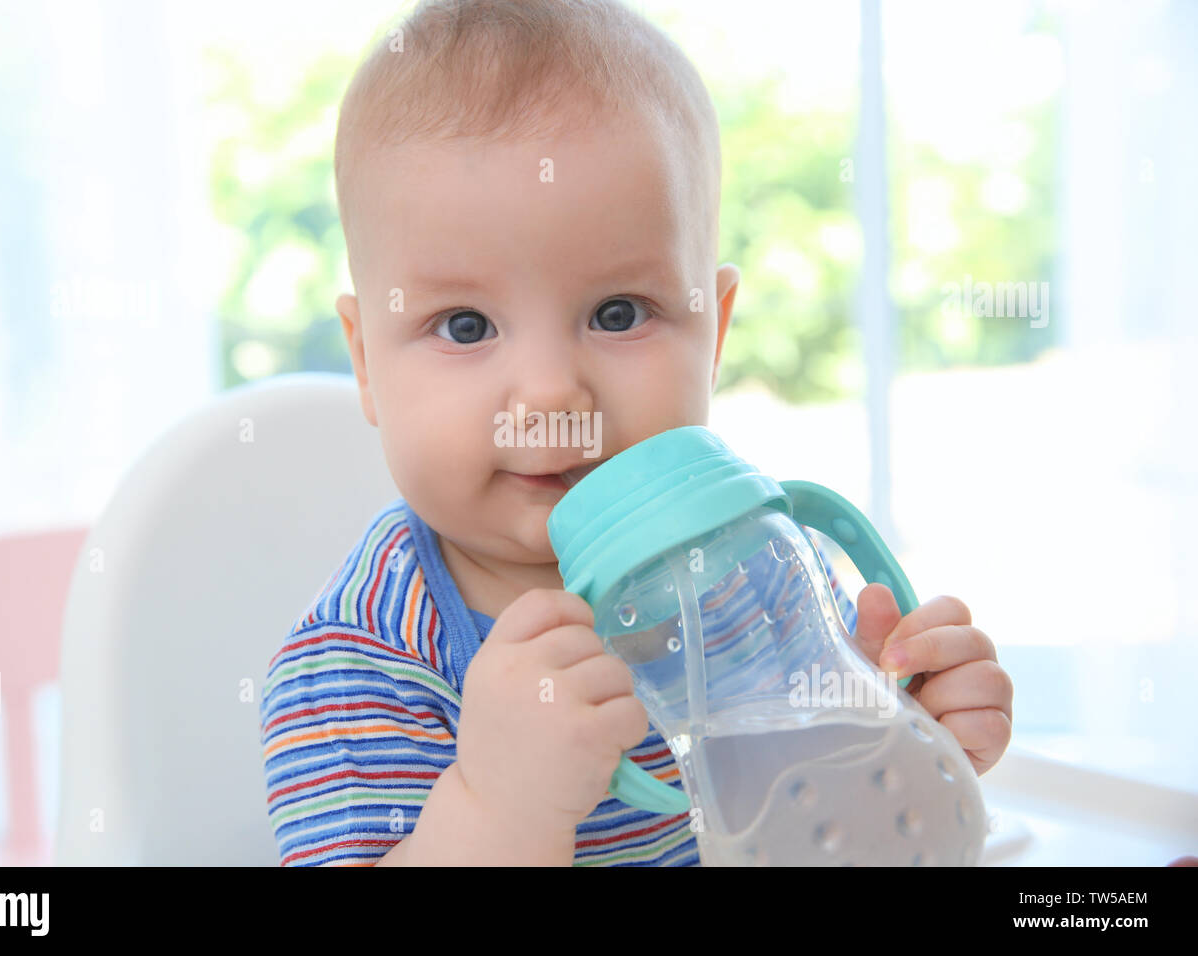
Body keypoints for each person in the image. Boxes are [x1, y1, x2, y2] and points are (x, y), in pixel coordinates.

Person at [260, 0, 1013, 866]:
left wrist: (909, 742)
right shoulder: (359, 667)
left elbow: (824, 833)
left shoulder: (749, 578)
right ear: (366, 365)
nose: (549, 393)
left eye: (618, 313)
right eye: (465, 326)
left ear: (716, 332)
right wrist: (492, 807)